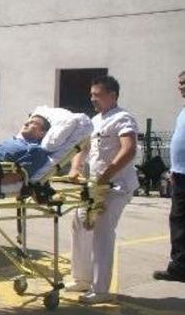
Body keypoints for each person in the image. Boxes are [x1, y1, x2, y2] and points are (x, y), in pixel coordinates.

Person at [67, 75, 138, 304]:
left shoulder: (123, 118)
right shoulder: (94, 120)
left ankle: (101, 289)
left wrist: (106, 175)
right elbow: (84, 148)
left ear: (112, 95)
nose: (92, 99)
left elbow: (129, 150)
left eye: (97, 95)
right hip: (94, 186)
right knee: (79, 222)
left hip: (115, 186)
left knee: (102, 231)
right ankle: (82, 278)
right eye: (91, 95)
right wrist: (75, 167)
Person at [153, 70, 185, 282]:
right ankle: (180, 266)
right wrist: (174, 169)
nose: (181, 87)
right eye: (180, 83)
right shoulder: (183, 111)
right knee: (179, 221)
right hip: (180, 174)